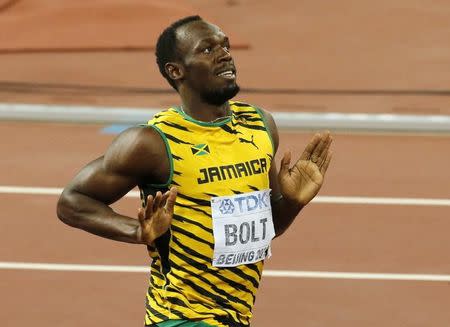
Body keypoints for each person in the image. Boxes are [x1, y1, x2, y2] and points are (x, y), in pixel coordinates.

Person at [56, 15, 333, 327]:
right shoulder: (153, 142)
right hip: (180, 317)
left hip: (235, 315)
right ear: (176, 71)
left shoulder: (259, 125)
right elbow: (72, 201)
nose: (225, 54)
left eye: (225, 46)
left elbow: (267, 229)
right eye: (207, 50)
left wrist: (292, 204)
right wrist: (136, 231)